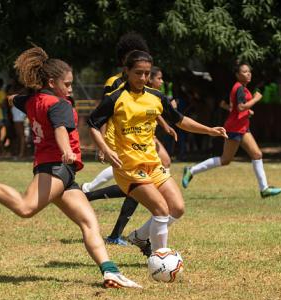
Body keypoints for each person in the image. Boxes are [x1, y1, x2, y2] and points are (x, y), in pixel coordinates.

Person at [0, 47, 141, 289]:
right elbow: (59, 129)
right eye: (66, 84)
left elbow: (12, 99)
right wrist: (66, 150)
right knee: (25, 208)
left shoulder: (33, 100)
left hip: (64, 174)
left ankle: (111, 272)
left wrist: (25, 99)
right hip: (56, 167)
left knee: (89, 223)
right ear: (51, 82)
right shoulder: (60, 105)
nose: (70, 89)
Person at [88, 50, 227, 257]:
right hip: (128, 167)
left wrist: (209, 130)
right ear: (126, 71)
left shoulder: (156, 97)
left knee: (177, 209)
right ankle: (161, 258)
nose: (142, 78)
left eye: (146, 73)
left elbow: (180, 120)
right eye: (138, 73)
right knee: (161, 209)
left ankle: (139, 237)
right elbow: (92, 122)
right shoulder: (116, 98)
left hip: (152, 163)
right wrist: (105, 149)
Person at [182, 63, 281, 198]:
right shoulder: (240, 88)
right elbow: (240, 107)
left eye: (249, 72)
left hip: (242, 127)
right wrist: (256, 99)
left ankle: (264, 189)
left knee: (257, 154)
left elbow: (229, 106)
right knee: (225, 160)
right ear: (237, 75)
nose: (249, 74)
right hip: (235, 128)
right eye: (245, 72)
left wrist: (247, 111)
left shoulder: (239, 88)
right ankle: (191, 170)